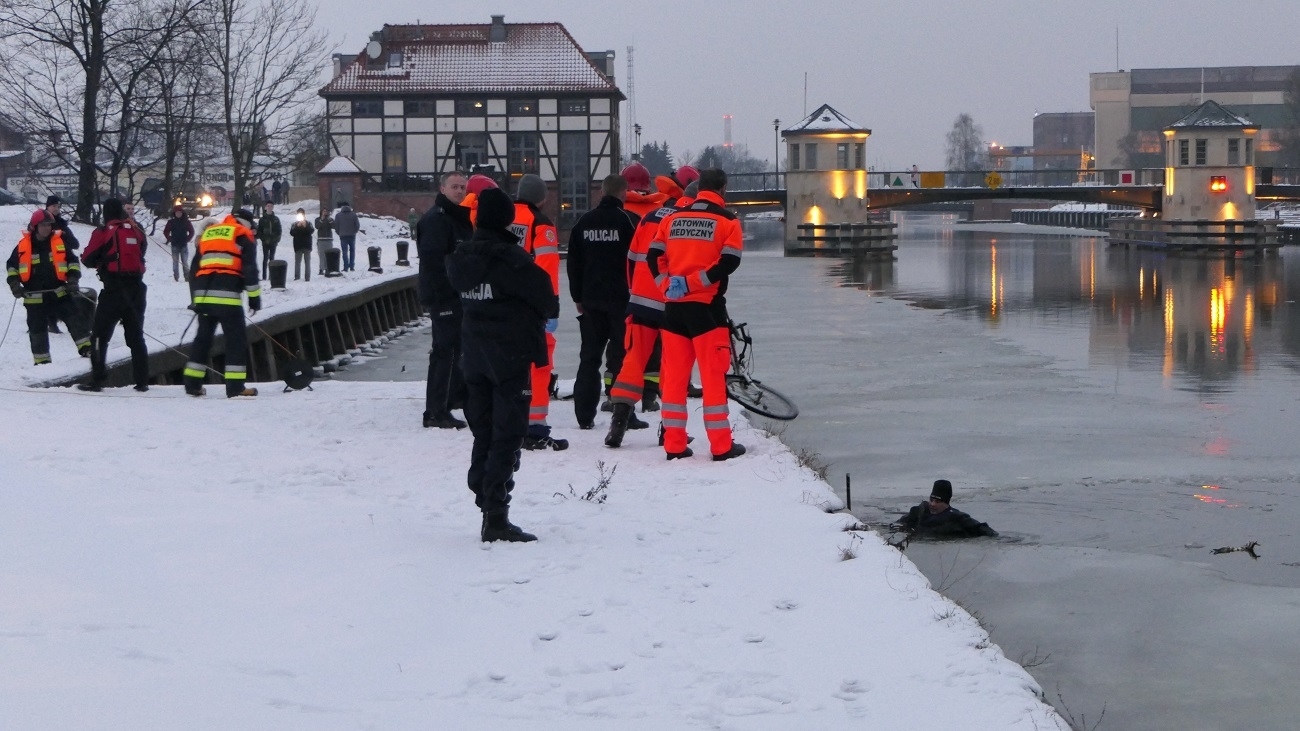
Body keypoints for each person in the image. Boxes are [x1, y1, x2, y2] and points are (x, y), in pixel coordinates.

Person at [446, 187, 558, 543]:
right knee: (508, 434)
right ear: (507, 219)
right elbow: (547, 299)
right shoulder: (513, 261)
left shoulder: (461, 258)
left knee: (484, 430)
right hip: (509, 356)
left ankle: (483, 488)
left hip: (473, 354)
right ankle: (495, 514)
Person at [646, 168, 745, 461]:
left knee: (674, 379)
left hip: (674, 309)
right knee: (713, 378)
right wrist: (695, 283)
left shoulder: (671, 219)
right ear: (723, 189)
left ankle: (674, 445)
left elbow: (653, 256)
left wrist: (666, 285)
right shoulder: (728, 221)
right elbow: (729, 263)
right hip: (707, 310)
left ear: (699, 188)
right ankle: (721, 446)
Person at [604, 174, 696, 448]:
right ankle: (669, 430)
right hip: (671, 302)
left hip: (642, 299)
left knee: (633, 360)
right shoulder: (687, 221)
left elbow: (631, 259)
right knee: (672, 365)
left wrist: (634, 292)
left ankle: (618, 422)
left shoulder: (650, 217)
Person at [566, 174, 640, 429]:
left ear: (601, 192)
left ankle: (584, 416)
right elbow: (638, 261)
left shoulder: (584, 222)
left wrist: (577, 297)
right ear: (624, 193)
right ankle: (623, 414)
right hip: (622, 300)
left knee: (589, 358)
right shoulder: (628, 221)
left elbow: (573, 263)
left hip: (591, 300)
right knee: (621, 358)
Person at [511, 174, 568, 451]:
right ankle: (535, 426)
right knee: (540, 364)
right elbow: (547, 268)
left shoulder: (503, 218)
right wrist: (552, 307)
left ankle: (509, 422)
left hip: (503, 304)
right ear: (542, 198)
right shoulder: (541, 224)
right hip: (532, 307)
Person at [184, 209, 261, 398]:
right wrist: (254, 299)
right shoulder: (243, 235)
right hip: (228, 297)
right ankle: (235, 387)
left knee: (203, 339)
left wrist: (195, 298)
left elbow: (194, 269)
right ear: (247, 223)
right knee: (235, 341)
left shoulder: (210, 233)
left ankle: (192, 384)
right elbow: (250, 269)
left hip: (204, 297)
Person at [415, 172, 471, 429]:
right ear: (442, 188)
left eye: (462, 187)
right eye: (454, 186)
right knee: (444, 351)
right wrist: (444, 295)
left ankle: (451, 399)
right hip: (444, 296)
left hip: (456, 295)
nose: (459, 191)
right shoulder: (437, 220)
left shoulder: (457, 218)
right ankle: (436, 411)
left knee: (455, 349)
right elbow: (433, 262)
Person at [79, 198, 150, 392]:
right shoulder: (136, 230)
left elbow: (87, 258)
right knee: (136, 337)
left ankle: (97, 379)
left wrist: (102, 262)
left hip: (114, 290)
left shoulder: (103, 232)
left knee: (99, 336)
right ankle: (142, 381)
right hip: (137, 289)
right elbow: (141, 252)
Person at [6, 210, 92, 364]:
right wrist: (14, 285)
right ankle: (42, 362)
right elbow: (12, 267)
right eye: (43, 225)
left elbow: (73, 262)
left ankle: (88, 349)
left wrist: (73, 279)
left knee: (75, 320)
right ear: (35, 227)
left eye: (49, 225)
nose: (47, 228)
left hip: (59, 293)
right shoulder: (23, 246)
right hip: (34, 298)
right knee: (37, 331)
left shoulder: (59, 243)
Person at [892, 480, 998, 538]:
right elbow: (897, 525)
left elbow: (983, 529)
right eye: (931, 500)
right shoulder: (919, 511)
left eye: (938, 502)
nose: (932, 504)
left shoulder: (957, 517)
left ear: (946, 503)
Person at [162, 204, 194, 282]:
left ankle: (187, 276)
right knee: (175, 262)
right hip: (174, 245)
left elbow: (191, 231)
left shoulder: (186, 222)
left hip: (184, 245)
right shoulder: (171, 222)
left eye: (180, 212)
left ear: (182, 213)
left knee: (185, 262)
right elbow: (166, 231)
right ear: (174, 213)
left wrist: (187, 239)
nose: (178, 214)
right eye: (177, 212)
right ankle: (176, 276)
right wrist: (170, 239)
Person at [255, 200, 281, 280]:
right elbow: (260, 231)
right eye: (268, 206)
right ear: (266, 207)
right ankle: (264, 276)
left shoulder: (276, 219)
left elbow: (279, 231)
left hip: (273, 242)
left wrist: (276, 239)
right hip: (265, 242)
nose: (269, 208)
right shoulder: (262, 219)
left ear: (273, 207)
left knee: (272, 258)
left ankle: (271, 275)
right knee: (265, 258)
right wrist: (263, 239)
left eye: (271, 206)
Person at [334, 201, 360, 272]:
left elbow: (336, 226)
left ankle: (346, 267)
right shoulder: (353, 215)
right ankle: (352, 266)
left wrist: (339, 233)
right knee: (352, 251)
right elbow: (357, 225)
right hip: (352, 235)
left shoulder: (338, 215)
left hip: (343, 236)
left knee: (344, 251)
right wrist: (354, 232)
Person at [289, 208, 313, 281]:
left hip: (307, 245)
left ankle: (307, 277)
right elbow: (292, 233)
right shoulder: (294, 224)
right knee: (297, 262)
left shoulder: (308, 223)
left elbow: (311, 231)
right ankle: (297, 276)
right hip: (298, 245)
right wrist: (297, 226)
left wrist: (305, 226)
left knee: (307, 262)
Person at [314, 206, 334, 275]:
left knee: (329, 255)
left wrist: (330, 220)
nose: (325, 213)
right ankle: (321, 268)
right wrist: (321, 220)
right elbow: (317, 226)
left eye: (326, 211)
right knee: (321, 255)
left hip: (329, 239)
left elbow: (334, 226)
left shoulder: (330, 219)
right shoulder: (317, 219)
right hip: (321, 239)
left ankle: (328, 268)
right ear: (321, 212)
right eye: (323, 211)